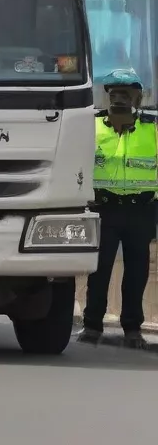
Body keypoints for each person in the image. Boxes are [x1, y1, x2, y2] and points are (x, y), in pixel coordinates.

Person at [79, 68, 158, 349]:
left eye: (126, 93)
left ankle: (132, 329)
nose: (119, 98)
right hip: (104, 208)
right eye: (114, 93)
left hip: (141, 209)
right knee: (98, 270)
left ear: (138, 97)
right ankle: (92, 326)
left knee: (137, 272)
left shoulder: (152, 128)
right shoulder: (92, 126)